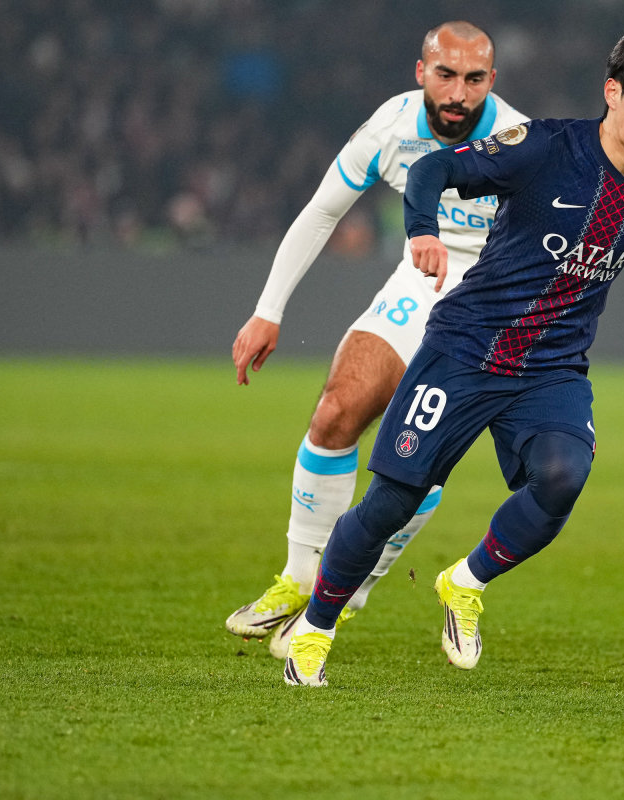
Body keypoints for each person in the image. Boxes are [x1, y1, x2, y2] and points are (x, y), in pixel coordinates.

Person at [281, 28, 624, 687]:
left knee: (563, 476)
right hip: (465, 349)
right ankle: (315, 629)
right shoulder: (541, 149)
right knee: (391, 501)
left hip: (551, 370)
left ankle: (464, 583)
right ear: (613, 92)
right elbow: (432, 169)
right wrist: (421, 231)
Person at [224, 21, 527, 659]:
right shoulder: (391, 128)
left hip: (491, 301)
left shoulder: (518, 140)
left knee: (420, 448)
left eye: (474, 79)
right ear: (421, 72)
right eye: (445, 75)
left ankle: (355, 579)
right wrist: (267, 310)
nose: (458, 92)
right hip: (421, 278)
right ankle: (300, 576)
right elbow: (322, 210)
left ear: (490, 83)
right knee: (337, 408)